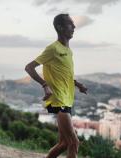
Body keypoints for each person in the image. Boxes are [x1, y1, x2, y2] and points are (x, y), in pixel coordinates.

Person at [25, 13, 87, 158]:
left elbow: (64, 74)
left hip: (67, 99)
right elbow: (29, 67)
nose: (74, 27)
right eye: (70, 24)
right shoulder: (52, 49)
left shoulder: (68, 51)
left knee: (64, 143)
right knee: (74, 142)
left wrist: (77, 84)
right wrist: (44, 85)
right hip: (59, 100)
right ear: (60, 27)